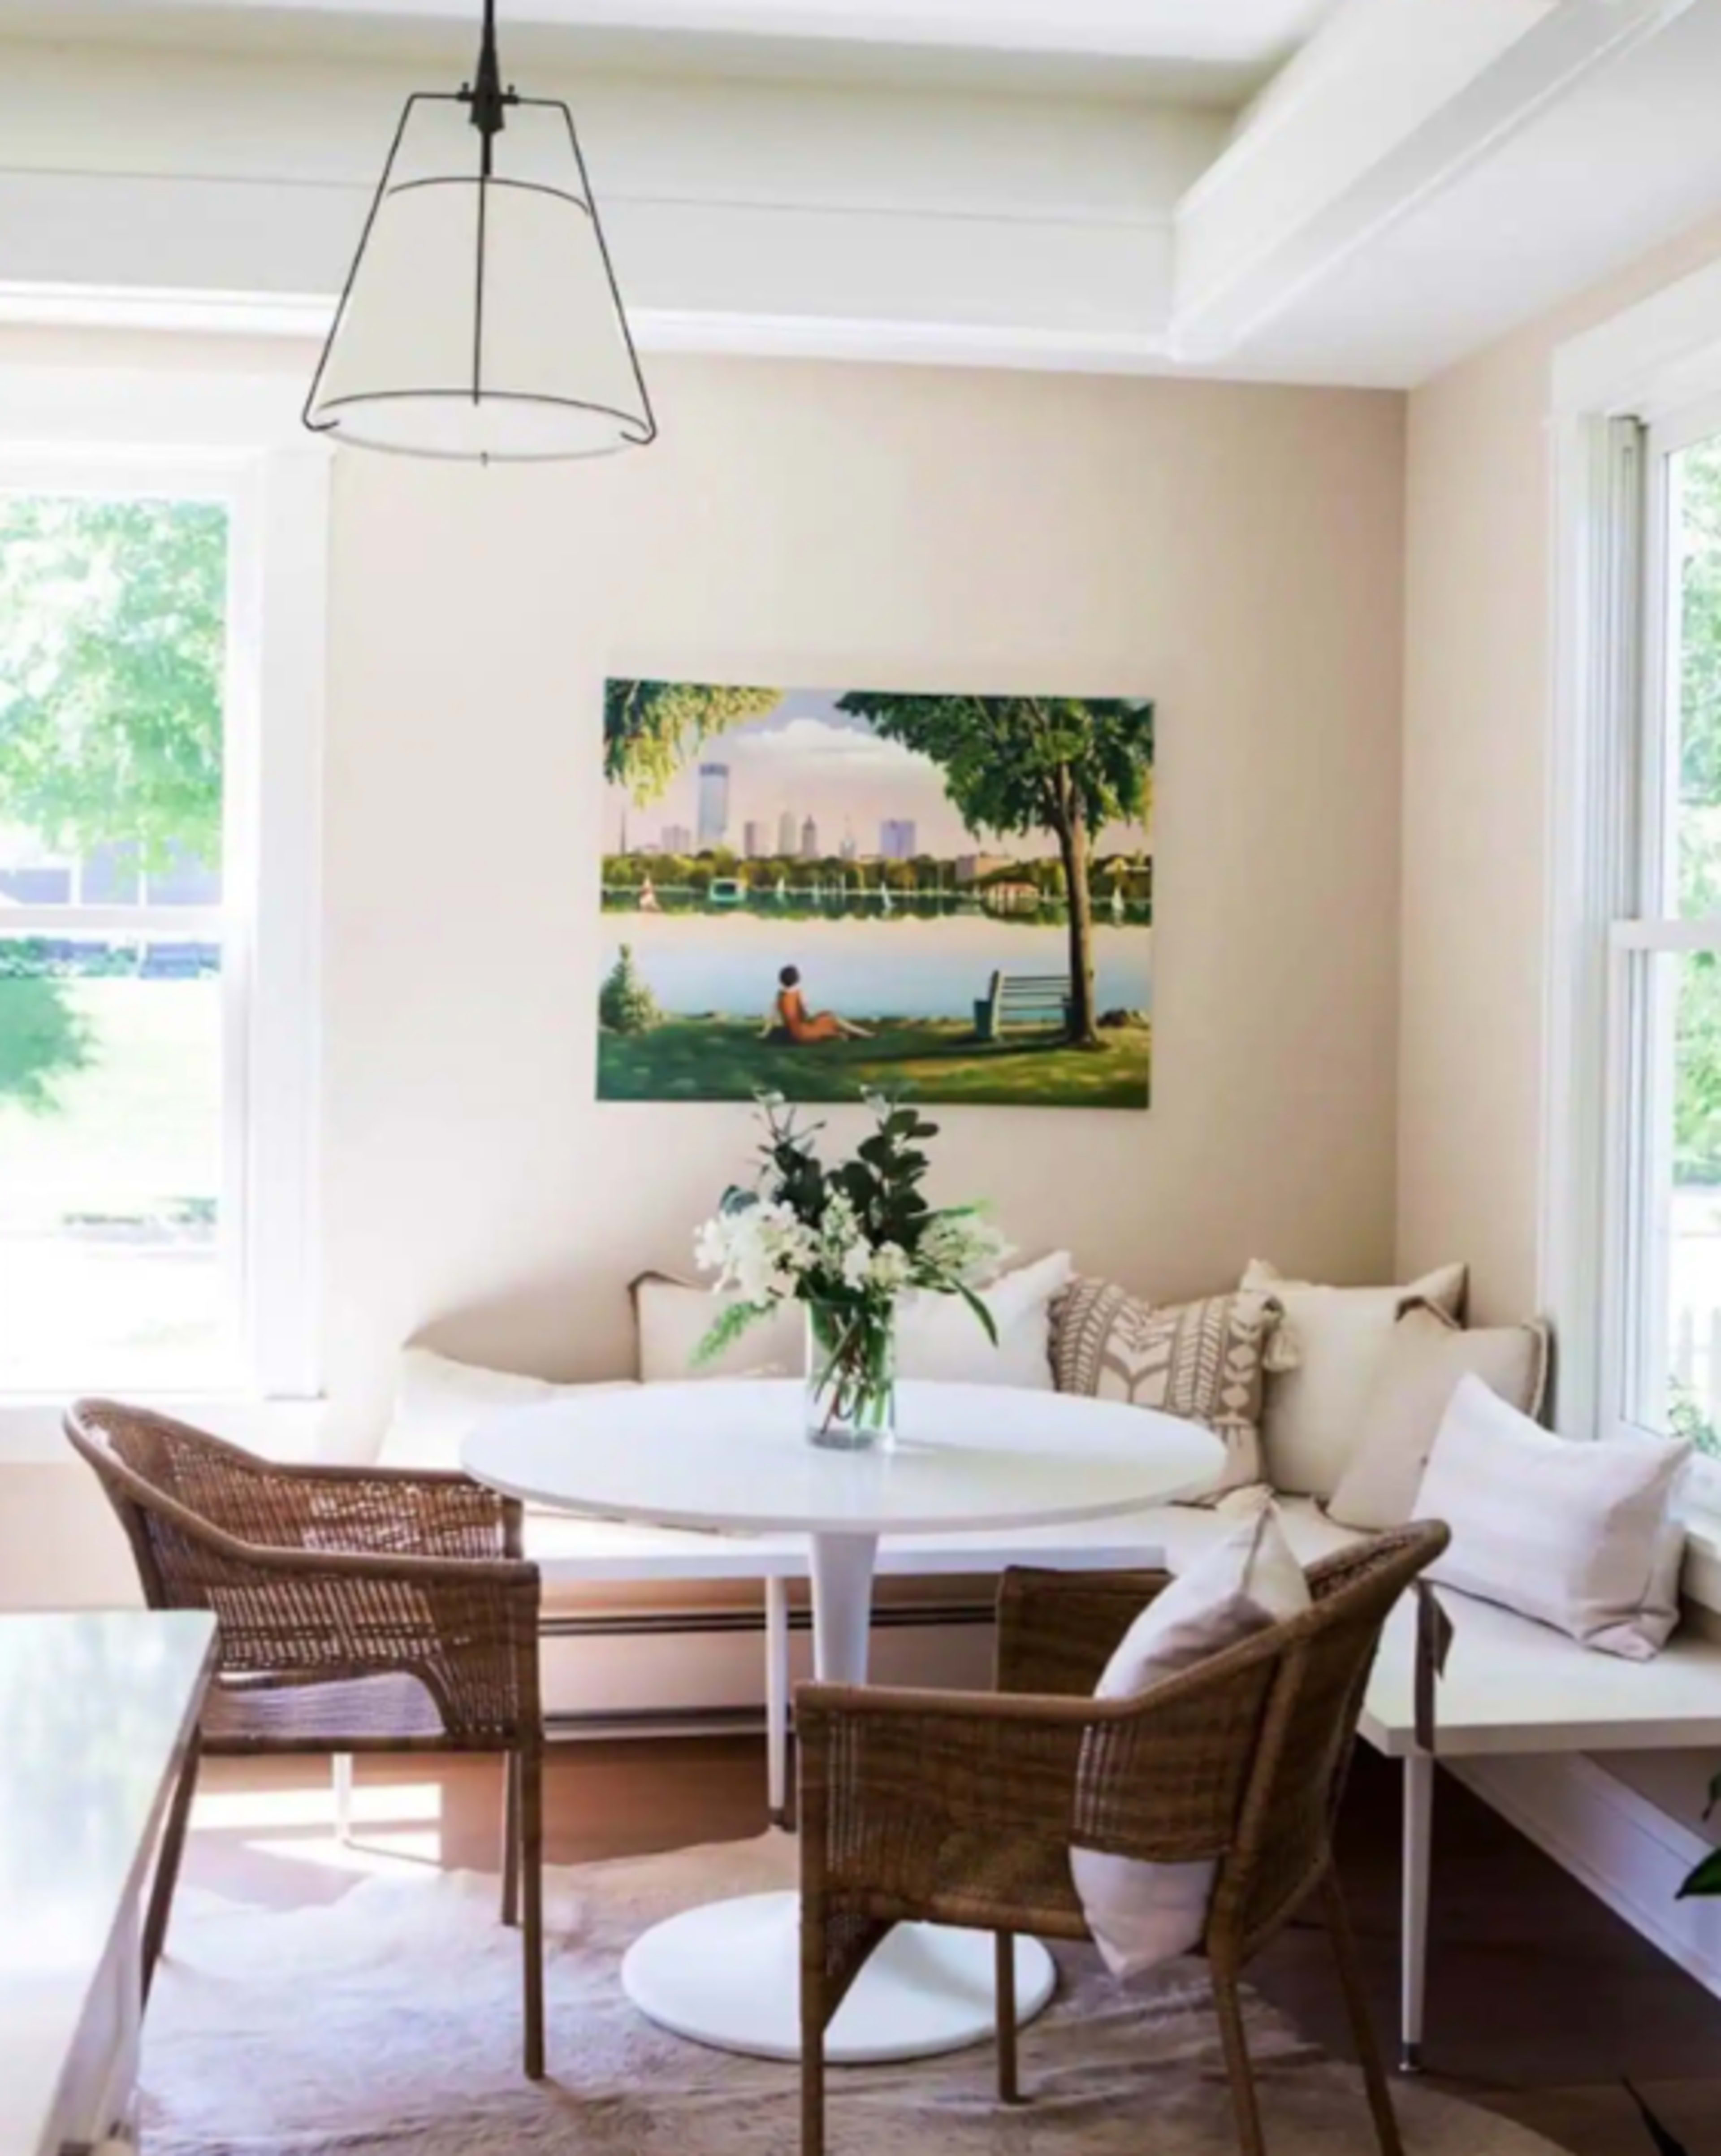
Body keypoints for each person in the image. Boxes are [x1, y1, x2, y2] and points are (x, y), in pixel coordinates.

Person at [761, 964, 872, 1042]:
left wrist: (764, 1033)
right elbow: (806, 1013)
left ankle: (846, 1036)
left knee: (828, 1020)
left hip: (793, 1034)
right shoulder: (797, 994)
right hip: (804, 1032)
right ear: (796, 979)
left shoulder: (779, 996)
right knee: (832, 1018)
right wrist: (818, 1017)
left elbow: (772, 1016)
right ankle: (865, 1034)